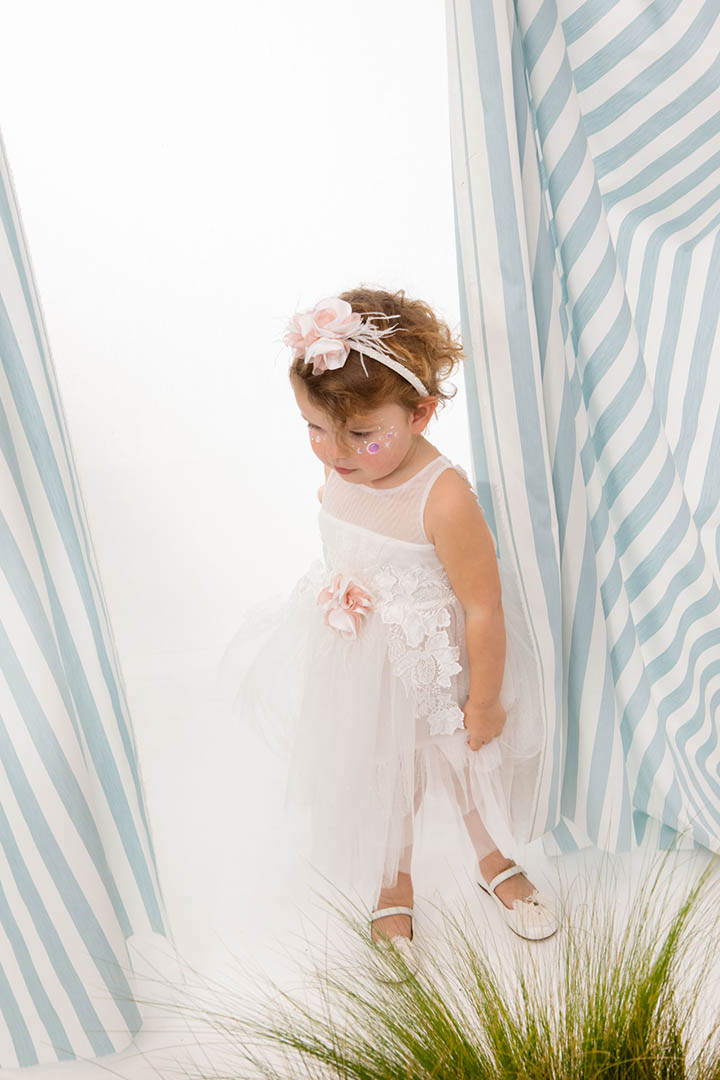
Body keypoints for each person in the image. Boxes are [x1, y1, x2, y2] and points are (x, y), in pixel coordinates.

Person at [218, 286, 557, 974]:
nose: (335, 453)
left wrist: (484, 701)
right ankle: (393, 881)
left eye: (362, 435)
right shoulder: (342, 471)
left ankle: (494, 858)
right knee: (386, 774)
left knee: (462, 766)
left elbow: (484, 606)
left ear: (420, 412)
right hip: (361, 660)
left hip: (437, 667)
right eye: (315, 428)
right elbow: (346, 539)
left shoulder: (443, 497)